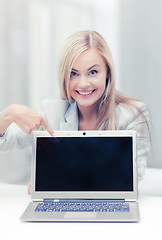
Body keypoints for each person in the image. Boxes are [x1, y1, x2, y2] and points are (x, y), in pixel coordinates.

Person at [0, 31, 152, 188]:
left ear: (107, 72)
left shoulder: (133, 115)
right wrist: (8, 115)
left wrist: (54, 182)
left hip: (110, 208)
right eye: (73, 74)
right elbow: (4, 143)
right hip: (62, 211)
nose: (83, 84)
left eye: (93, 72)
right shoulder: (53, 113)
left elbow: (130, 180)